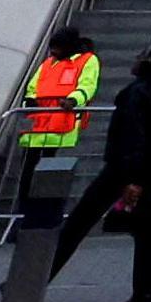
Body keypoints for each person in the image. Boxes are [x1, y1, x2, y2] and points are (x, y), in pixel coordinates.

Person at [51, 43, 151, 302]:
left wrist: (132, 178)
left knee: (78, 223)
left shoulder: (138, 93)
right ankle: (148, 292)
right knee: (147, 232)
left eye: (141, 56)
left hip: (123, 169)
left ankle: (33, 279)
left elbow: (133, 136)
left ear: (149, 62)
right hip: (148, 170)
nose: (136, 59)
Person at [21, 27, 103, 190]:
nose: (53, 51)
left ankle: (40, 209)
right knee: (28, 171)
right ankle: (25, 209)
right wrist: (29, 101)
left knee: (51, 173)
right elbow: (32, 87)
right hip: (38, 124)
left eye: (57, 47)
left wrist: (73, 100)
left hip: (63, 123)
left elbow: (87, 85)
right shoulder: (48, 63)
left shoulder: (87, 60)